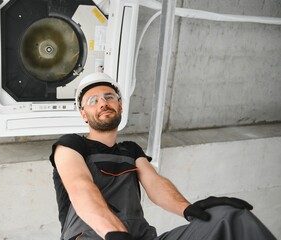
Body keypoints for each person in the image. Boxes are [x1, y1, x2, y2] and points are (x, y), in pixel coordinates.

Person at [49, 72, 276, 240]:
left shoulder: (131, 150)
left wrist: (188, 209)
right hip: (94, 236)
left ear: (120, 105)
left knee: (228, 217)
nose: (103, 103)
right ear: (83, 115)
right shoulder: (71, 145)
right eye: (93, 100)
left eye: (109, 97)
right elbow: (80, 187)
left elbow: (156, 185)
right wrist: (114, 233)